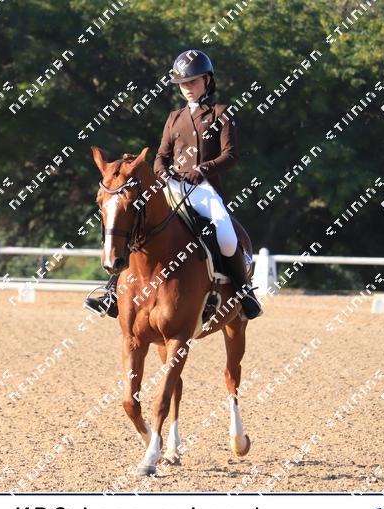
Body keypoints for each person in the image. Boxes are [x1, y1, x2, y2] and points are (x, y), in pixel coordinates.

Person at [84, 49, 262, 320]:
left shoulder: (221, 113)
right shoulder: (174, 117)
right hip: (170, 186)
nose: (187, 87)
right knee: (135, 223)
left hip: (203, 190)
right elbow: (160, 157)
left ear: (207, 80)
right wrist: (163, 173)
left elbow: (230, 155)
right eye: (182, 83)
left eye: (192, 81)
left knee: (226, 239)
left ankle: (243, 293)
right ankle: (111, 293)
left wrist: (202, 170)